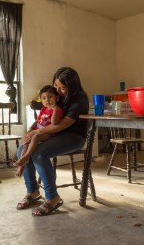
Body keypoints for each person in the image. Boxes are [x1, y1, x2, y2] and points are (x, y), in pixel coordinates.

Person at [16, 67, 89, 217]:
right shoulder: (55, 96)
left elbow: (62, 125)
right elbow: (43, 115)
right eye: (56, 85)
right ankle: (33, 191)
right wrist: (32, 131)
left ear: (72, 87)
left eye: (63, 88)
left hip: (73, 136)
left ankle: (52, 197)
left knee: (39, 154)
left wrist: (35, 132)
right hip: (54, 134)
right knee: (21, 150)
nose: (58, 91)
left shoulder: (79, 99)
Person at [14, 85, 63, 177]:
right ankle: (22, 166)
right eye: (44, 98)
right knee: (26, 141)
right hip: (38, 131)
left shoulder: (58, 109)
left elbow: (55, 123)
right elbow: (37, 121)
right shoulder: (43, 109)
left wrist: (55, 109)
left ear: (57, 98)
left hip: (49, 133)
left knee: (36, 137)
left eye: (50, 97)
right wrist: (31, 128)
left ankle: (27, 156)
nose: (47, 100)